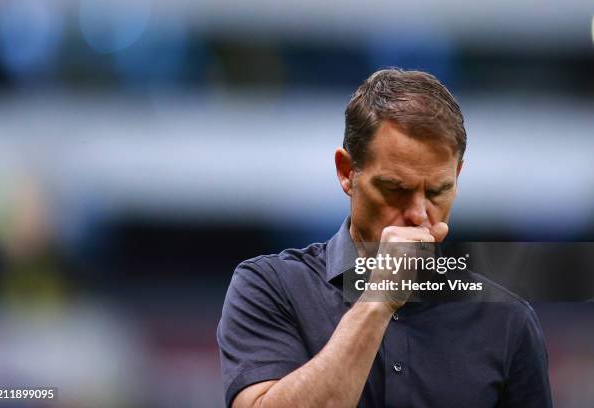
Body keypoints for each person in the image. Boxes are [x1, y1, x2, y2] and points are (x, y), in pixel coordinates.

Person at [217, 68, 552, 407]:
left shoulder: (506, 319)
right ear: (347, 172)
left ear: (458, 177)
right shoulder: (270, 288)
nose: (420, 215)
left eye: (438, 191)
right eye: (396, 189)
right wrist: (377, 300)